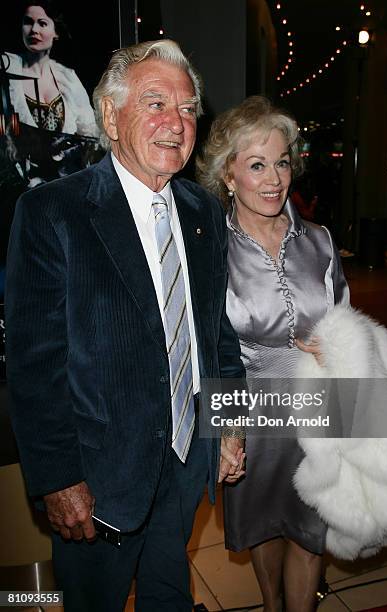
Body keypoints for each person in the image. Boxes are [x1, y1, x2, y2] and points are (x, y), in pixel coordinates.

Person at [5, 39, 245, 612]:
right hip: (99, 481)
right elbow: (35, 365)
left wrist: (230, 425)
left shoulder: (204, 211)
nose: (176, 123)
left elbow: (216, 333)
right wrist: (58, 479)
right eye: (156, 103)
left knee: (170, 595)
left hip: (187, 462)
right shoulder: (52, 213)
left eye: (188, 109)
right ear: (111, 116)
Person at [197, 96, 349, 612]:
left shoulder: (321, 243)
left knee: (311, 530)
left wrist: (343, 347)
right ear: (229, 175)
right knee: (262, 526)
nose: (274, 178)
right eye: (256, 165)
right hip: (248, 412)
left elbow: (348, 324)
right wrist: (222, 428)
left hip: (317, 410)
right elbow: (203, 346)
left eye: (282, 162)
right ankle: (270, 605)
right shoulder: (209, 249)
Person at [4, 1, 97, 136]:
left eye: (42, 23)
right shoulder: (7, 68)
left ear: (56, 32)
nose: (34, 29)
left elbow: (89, 131)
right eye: (28, 22)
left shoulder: (68, 77)